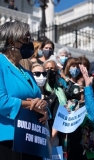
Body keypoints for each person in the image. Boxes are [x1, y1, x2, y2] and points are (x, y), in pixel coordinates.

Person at [0, 20, 48, 160]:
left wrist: (44, 109)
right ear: (12, 42)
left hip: (31, 139)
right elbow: (2, 101)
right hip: (9, 140)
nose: (30, 43)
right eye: (26, 39)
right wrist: (29, 105)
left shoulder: (26, 72)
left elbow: (38, 99)